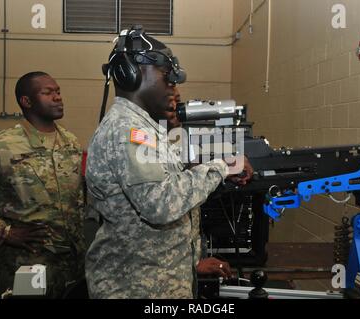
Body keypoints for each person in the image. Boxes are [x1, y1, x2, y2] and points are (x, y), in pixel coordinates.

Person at [85, 25, 252, 299]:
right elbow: (161, 205)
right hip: (135, 288)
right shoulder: (128, 130)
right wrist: (222, 167)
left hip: (158, 280)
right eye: (167, 78)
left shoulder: (145, 128)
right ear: (131, 74)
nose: (173, 87)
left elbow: (169, 186)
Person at [0, 71, 86, 298]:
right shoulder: (0, 146)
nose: (57, 97)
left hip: (72, 266)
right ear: (26, 101)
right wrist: (1, 232)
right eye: (48, 92)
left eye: (58, 91)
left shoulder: (70, 141)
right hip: (27, 265)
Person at [165, 86, 233, 281]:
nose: (177, 108)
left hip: (180, 273)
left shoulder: (167, 143)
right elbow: (166, 206)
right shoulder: (142, 143)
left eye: (179, 101)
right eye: (170, 100)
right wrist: (223, 167)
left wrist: (194, 262)